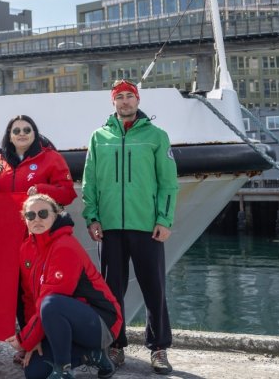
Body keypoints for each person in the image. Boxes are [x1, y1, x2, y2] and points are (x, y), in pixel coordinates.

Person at [82, 79, 179, 375]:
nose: (125, 102)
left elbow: (168, 183)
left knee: (154, 287)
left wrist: (164, 220)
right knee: (112, 291)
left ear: (137, 100)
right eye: (119, 97)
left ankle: (159, 348)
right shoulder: (99, 138)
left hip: (146, 225)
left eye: (129, 96)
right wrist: (92, 217)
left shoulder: (156, 136)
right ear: (113, 103)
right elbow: (90, 182)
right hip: (109, 227)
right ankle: (115, 344)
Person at [0, 114, 77, 363]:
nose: (21, 133)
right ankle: (27, 340)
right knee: (15, 292)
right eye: (16, 130)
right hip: (9, 239)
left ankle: (42, 341)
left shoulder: (51, 158)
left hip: (39, 236)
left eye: (27, 129)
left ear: (35, 133)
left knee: (37, 289)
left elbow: (68, 193)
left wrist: (42, 190)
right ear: (9, 135)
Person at [6, 194, 121, 379]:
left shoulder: (65, 247)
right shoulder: (26, 249)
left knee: (51, 303)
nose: (37, 219)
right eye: (30, 215)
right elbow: (29, 298)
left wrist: (24, 340)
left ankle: (63, 370)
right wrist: (33, 342)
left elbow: (50, 301)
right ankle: (93, 355)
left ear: (56, 215)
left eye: (43, 213)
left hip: (101, 322)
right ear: (25, 220)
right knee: (34, 373)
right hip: (61, 322)